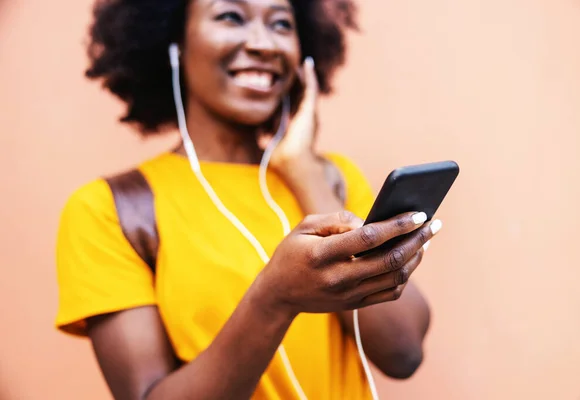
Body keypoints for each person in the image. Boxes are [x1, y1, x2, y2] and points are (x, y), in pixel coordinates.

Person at [55, 0, 440, 399]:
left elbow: (404, 351)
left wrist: (302, 169)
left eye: (280, 24)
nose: (263, 44)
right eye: (230, 16)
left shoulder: (331, 179)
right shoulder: (108, 210)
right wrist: (276, 298)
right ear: (174, 42)